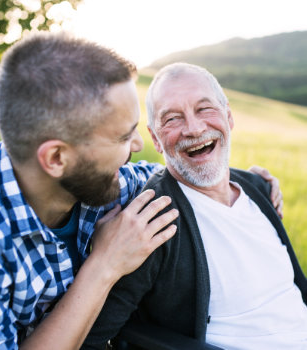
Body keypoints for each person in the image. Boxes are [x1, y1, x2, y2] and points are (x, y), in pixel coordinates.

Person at [0, 32, 280, 350]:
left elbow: (168, 173)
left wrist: (248, 182)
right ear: (56, 158)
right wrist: (104, 265)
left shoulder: (99, 179)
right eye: (123, 137)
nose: (138, 146)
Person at [82, 63, 307, 350]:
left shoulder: (258, 188)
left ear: (228, 117)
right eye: (173, 118)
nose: (194, 128)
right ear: (156, 139)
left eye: (204, 109)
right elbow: (92, 339)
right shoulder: (152, 223)